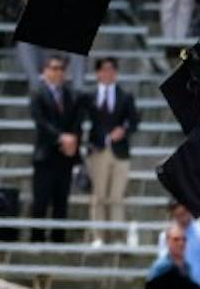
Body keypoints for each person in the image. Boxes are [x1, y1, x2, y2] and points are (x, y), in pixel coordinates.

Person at [83, 56, 138, 242]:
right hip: (98, 150)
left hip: (120, 151)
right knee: (98, 195)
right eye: (104, 69)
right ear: (98, 73)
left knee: (117, 196)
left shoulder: (126, 95)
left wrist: (124, 129)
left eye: (111, 69)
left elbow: (135, 121)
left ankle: (117, 236)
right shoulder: (88, 96)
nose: (108, 73)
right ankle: (98, 236)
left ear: (116, 73)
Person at [29, 54, 82, 242]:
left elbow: (76, 121)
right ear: (45, 71)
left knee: (62, 200)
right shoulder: (38, 93)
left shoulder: (69, 95)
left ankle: (58, 239)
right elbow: (41, 122)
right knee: (41, 200)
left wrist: (73, 141)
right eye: (53, 68)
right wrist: (61, 138)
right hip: (45, 155)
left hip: (65, 157)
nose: (57, 72)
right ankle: (37, 239)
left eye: (60, 69)